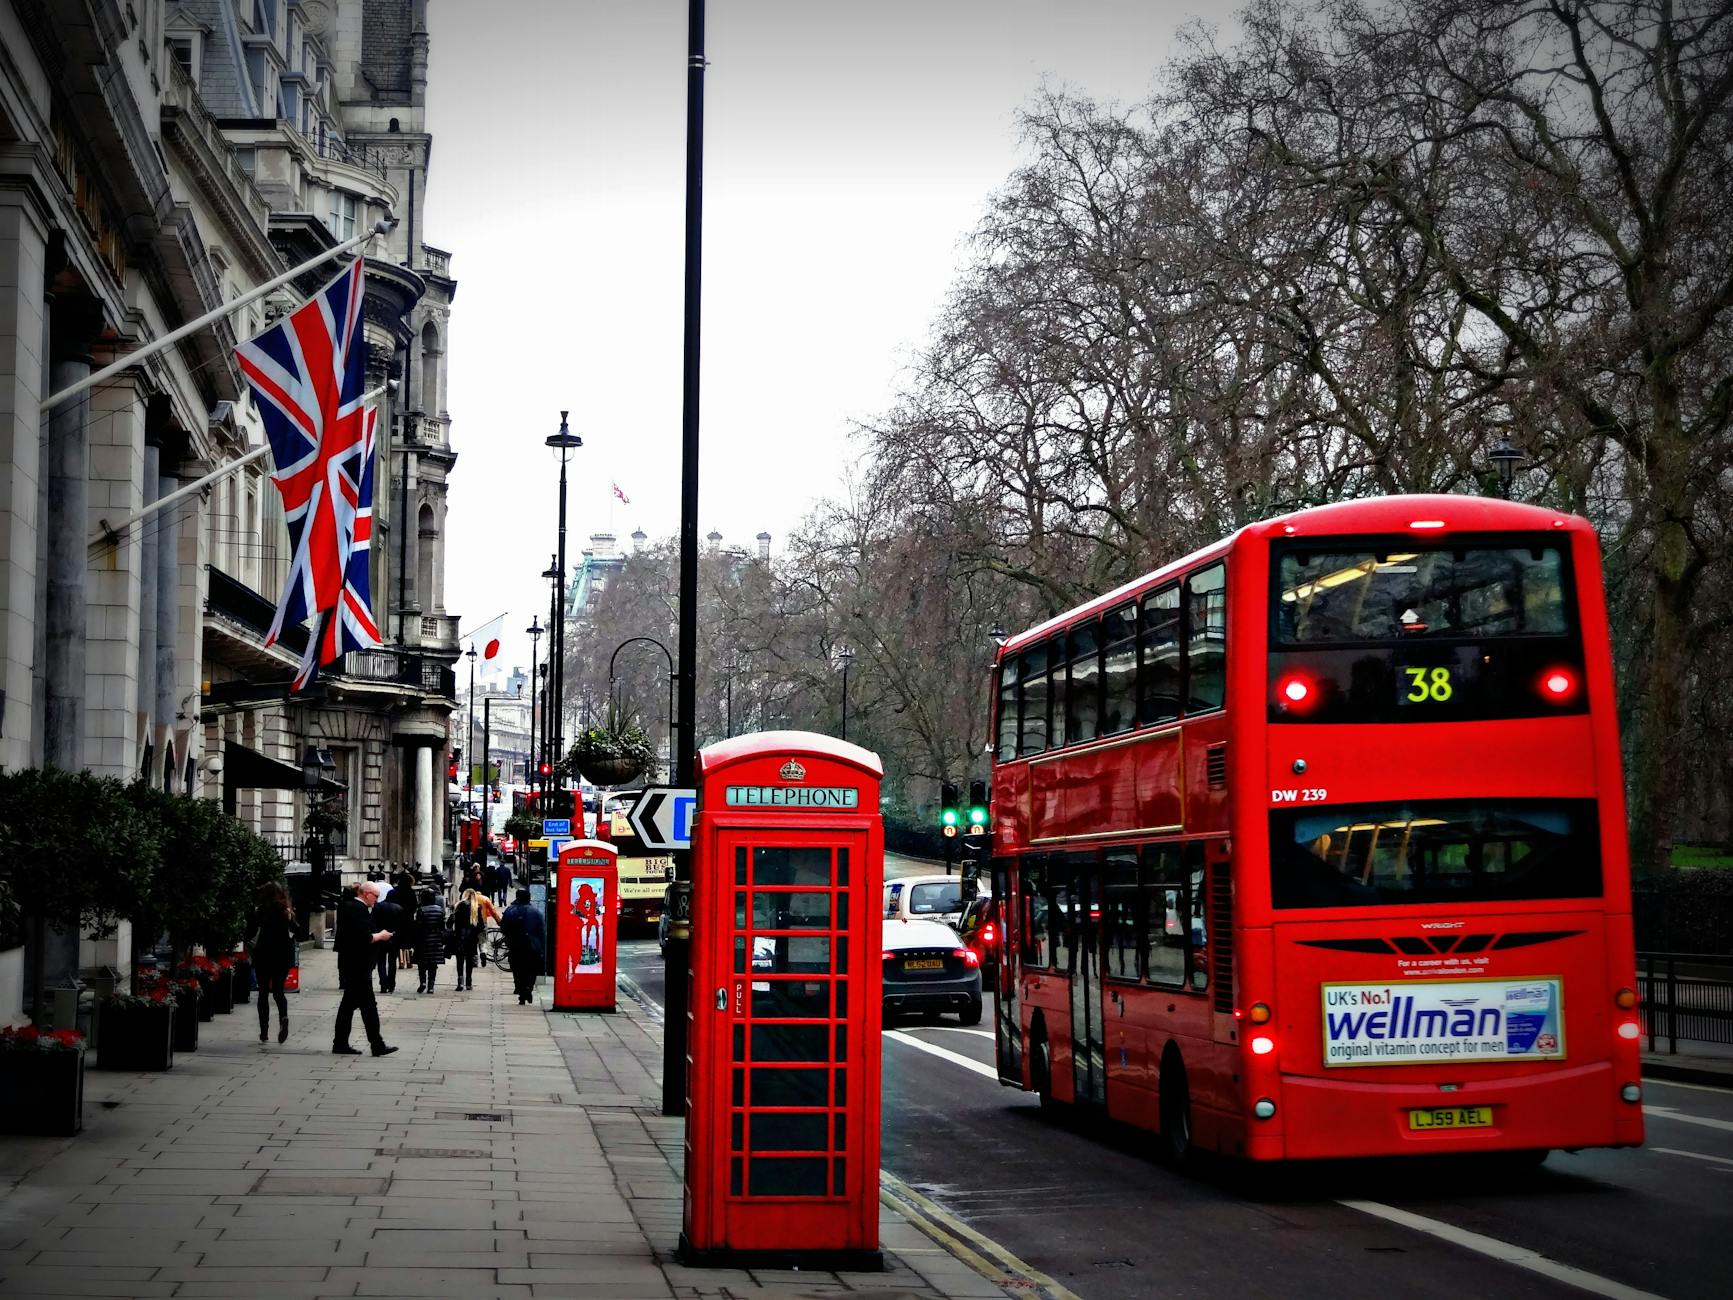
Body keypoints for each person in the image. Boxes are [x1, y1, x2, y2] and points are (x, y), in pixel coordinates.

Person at [333, 880, 398, 1057]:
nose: (376, 900)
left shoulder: (349, 907)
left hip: (353, 965)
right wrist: (381, 936)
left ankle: (340, 1043)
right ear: (366, 894)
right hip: (358, 966)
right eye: (375, 896)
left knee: (348, 1006)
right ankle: (377, 1045)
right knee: (368, 1006)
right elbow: (363, 938)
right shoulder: (357, 909)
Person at [247, 881, 296, 1044]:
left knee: (262, 993)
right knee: (278, 991)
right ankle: (283, 1017)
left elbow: (250, 931)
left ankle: (264, 1031)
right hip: (282, 956)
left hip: (263, 954)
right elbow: (300, 931)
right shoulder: (285, 911)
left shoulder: (260, 911)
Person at [499, 888, 545, 1005]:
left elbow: (503, 927)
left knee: (517, 968)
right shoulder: (536, 912)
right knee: (531, 969)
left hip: (515, 945)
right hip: (533, 946)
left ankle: (520, 990)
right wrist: (542, 948)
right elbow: (542, 931)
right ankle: (528, 987)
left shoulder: (510, 911)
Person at [450, 887, 499, 991]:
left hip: (459, 937)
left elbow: (450, 923)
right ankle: (469, 982)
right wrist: (475, 932)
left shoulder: (458, 906)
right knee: (469, 961)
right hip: (471, 938)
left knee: (460, 961)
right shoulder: (477, 907)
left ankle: (460, 983)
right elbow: (481, 926)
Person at [371, 884, 405, 994]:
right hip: (394, 938)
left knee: (381, 961)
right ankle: (391, 984)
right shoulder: (399, 908)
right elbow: (401, 926)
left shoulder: (378, 906)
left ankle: (383, 983)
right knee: (392, 962)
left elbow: (373, 922)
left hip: (381, 936)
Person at [414, 888, 448, 992]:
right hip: (436, 939)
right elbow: (442, 926)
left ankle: (423, 982)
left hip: (423, 939)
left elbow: (418, 926)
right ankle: (431, 986)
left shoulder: (421, 910)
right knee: (433, 964)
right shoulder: (439, 910)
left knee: (422, 962)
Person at [386, 872, 419, 973]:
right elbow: (414, 906)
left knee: (398, 940)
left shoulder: (394, 891)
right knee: (407, 939)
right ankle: (409, 961)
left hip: (396, 918)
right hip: (408, 919)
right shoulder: (411, 892)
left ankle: (401, 960)